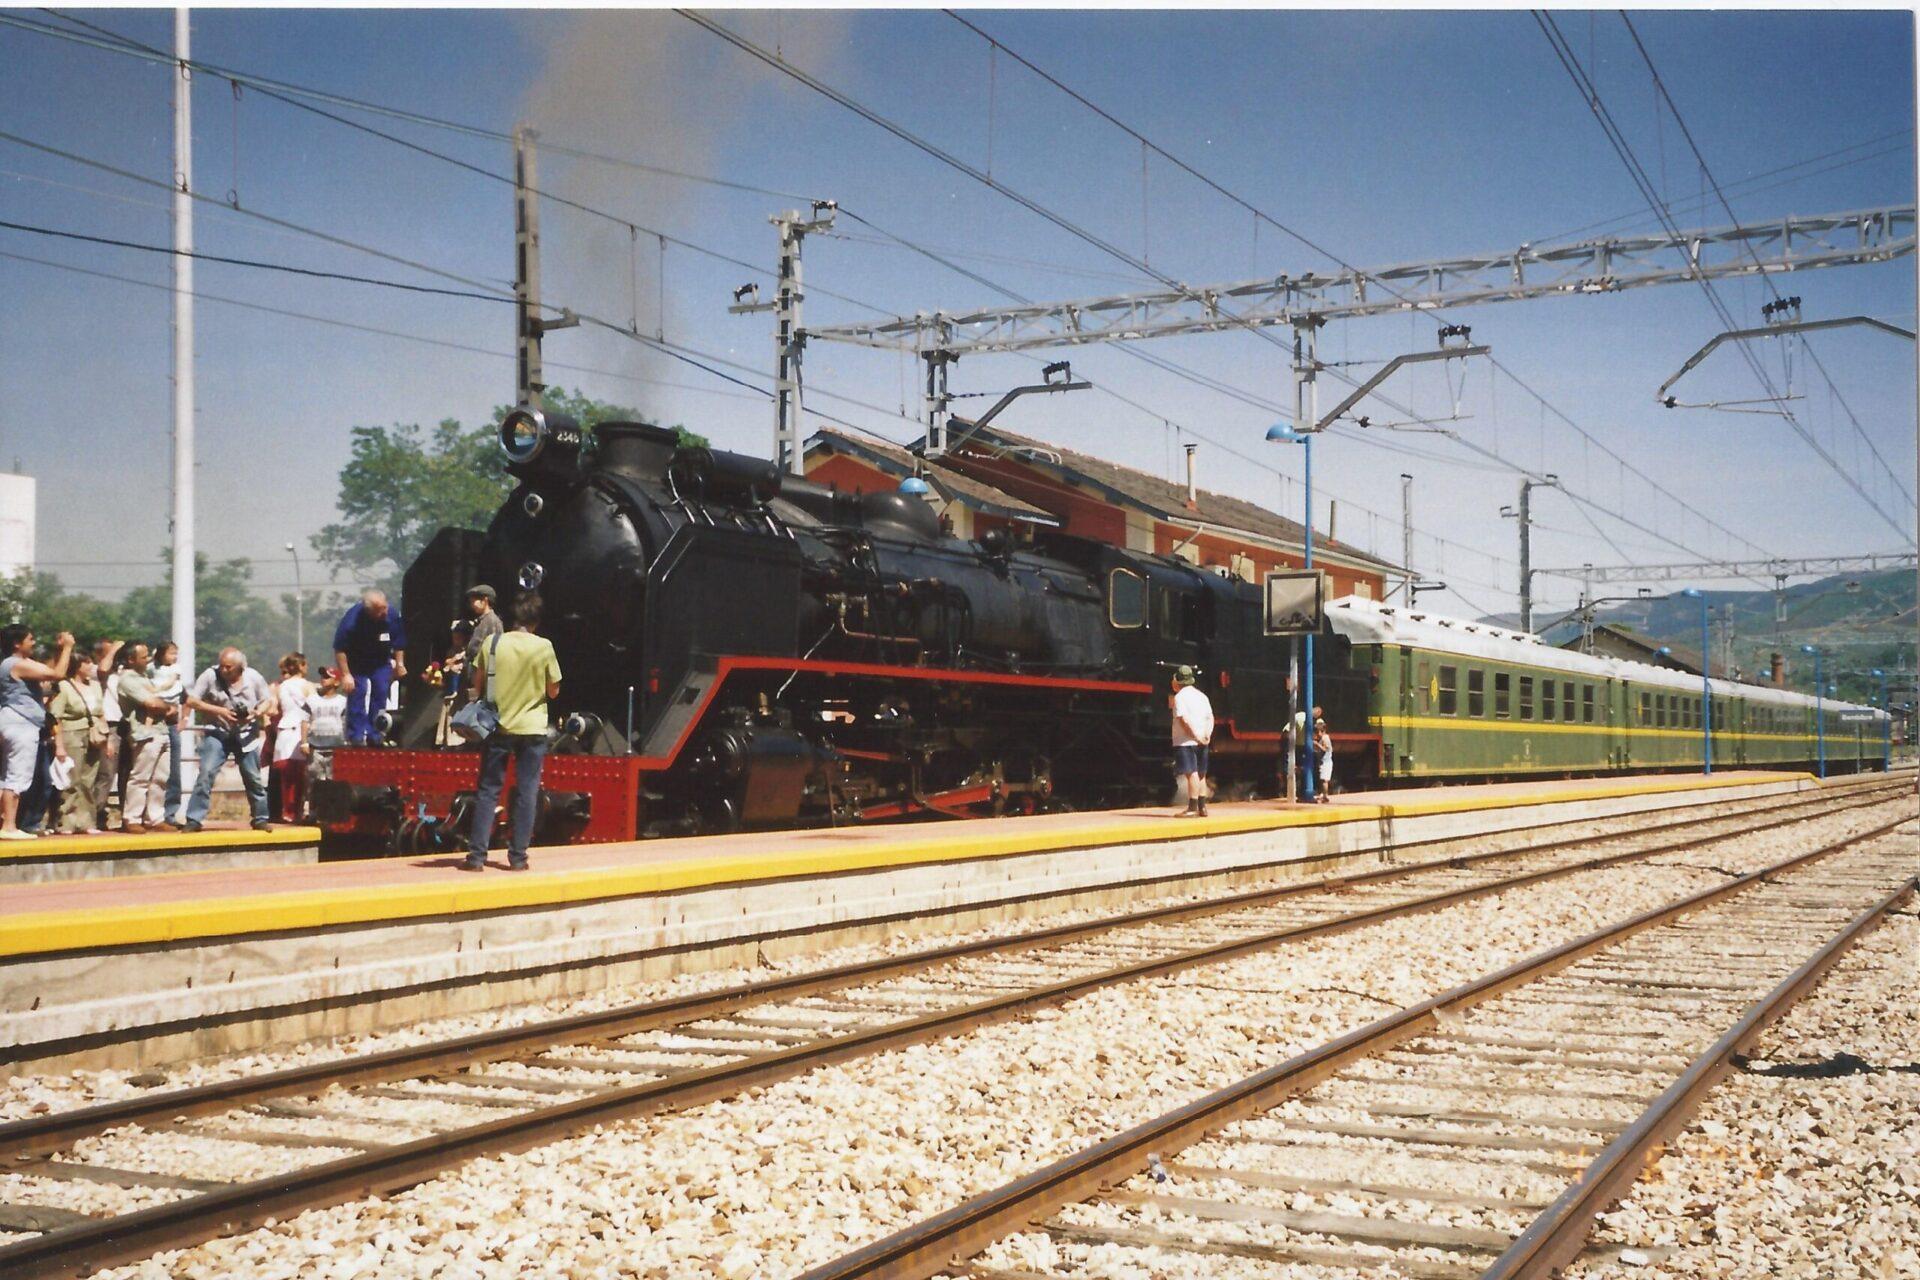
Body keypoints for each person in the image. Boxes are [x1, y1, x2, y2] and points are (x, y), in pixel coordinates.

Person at [463, 592, 562, 872]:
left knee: (488, 790)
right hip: (532, 728)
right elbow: (553, 690)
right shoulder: (544, 647)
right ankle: (517, 857)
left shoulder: (493, 643)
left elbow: (477, 684)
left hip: (498, 726)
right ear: (536, 621)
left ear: (512, 617)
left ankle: (476, 857)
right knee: (527, 792)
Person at [182, 647, 276, 833]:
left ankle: (260, 818)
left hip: (246, 735)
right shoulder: (210, 676)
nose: (224, 670)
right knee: (206, 773)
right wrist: (220, 711)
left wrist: (255, 713)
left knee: (253, 778)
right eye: (222, 666)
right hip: (218, 732)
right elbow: (192, 701)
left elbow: (267, 700)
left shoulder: (253, 677)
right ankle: (194, 819)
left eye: (229, 667)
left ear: (240, 667)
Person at [0, 628, 72, 838]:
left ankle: (6, 823)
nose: (33, 642)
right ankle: (9, 827)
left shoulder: (13, 664)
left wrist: (59, 652)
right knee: (17, 775)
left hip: (12, 722)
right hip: (21, 725)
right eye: (30, 639)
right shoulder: (16, 664)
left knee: (5, 776)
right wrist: (68, 647)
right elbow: (58, 674)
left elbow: (47, 671)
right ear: (16, 643)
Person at [114, 642, 176, 834]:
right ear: (131, 660)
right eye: (143, 657)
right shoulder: (128, 680)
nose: (148, 659)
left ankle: (155, 818)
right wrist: (166, 706)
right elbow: (151, 703)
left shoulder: (146, 677)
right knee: (140, 777)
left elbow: (162, 703)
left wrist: (165, 706)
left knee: (160, 778)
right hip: (144, 733)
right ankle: (131, 818)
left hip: (161, 731)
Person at [332, 589, 407, 745]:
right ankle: (356, 735)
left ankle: (376, 733)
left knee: (380, 691)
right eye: (380, 611)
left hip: (380, 661)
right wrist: (346, 674)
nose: (385, 612)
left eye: (385, 607)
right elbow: (340, 648)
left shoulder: (391, 615)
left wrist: (399, 664)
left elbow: (399, 642)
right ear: (369, 611)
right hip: (357, 662)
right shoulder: (352, 620)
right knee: (358, 692)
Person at [49, 651, 108, 833]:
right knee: (72, 779)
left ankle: (87, 821)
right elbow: (55, 716)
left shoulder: (95, 686)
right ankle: (66, 820)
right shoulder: (64, 686)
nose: (91, 666)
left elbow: (100, 712)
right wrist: (59, 745)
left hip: (93, 734)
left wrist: (107, 740)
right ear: (77, 666)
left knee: (88, 778)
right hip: (71, 733)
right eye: (87, 662)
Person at [269, 653, 316, 822]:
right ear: (302, 666)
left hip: (284, 730)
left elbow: (273, 709)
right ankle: (297, 811)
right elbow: (313, 707)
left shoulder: (281, 686)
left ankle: (285, 811)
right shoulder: (307, 686)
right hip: (299, 732)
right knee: (301, 775)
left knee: (285, 776)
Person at [1170, 664, 1214, 818]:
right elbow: (1210, 717)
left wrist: (1195, 736)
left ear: (1178, 681)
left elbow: (1184, 720)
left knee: (1192, 774)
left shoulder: (1180, 697)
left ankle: (1192, 808)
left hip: (1186, 741)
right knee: (1201, 774)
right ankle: (1202, 808)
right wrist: (1206, 735)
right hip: (1203, 740)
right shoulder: (1202, 696)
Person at [151, 641, 188, 822]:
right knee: (150, 771)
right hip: (152, 723)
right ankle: (149, 814)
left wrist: (184, 718)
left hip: (171, 724)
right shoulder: (150, 670)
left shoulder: (176, 674)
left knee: (173, 771)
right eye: (171, 653)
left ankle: (170, 813)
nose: (175, 657)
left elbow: (187, 698)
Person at [461, 585, 502, 696]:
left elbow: (493, 652)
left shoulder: (492, 622)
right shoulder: (480, 621)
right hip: (473, 675)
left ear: (484, 600)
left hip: (482, 680)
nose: (471, 605)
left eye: (473, 601)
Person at [1313, 716, 1335, 803]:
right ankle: (1323, 794)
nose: (1317, 734)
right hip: (1324, 762)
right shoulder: (1323, 738)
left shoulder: (1325, 738)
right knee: (1322, 779)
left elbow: (1326, 749)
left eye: (1317, 732)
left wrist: (1317, 744)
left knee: (1324, 780)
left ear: (1322, 731)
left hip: (1326, 762)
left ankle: (1325, 796)